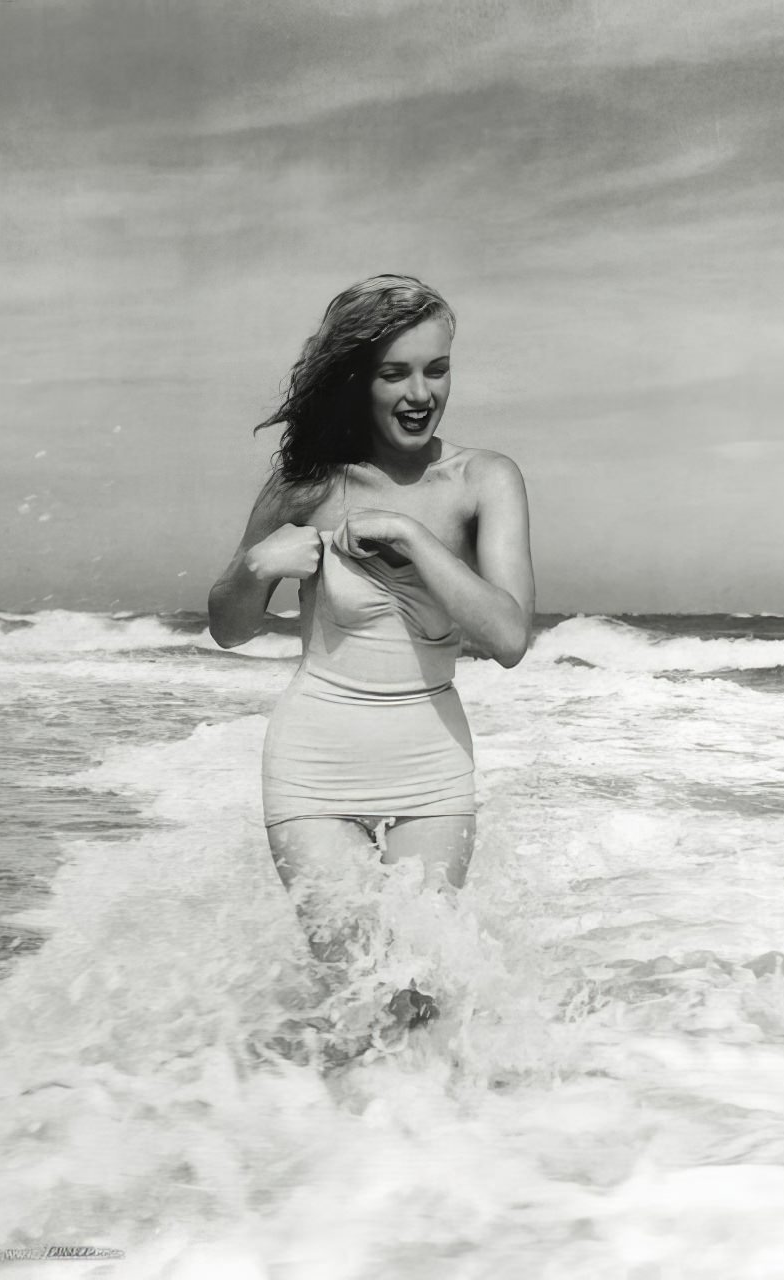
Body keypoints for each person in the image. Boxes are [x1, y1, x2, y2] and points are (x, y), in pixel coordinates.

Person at [208, 274, 534, 1029]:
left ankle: (426, 1136)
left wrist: (413, 539)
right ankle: (316, 1130)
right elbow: (229, 627)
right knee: (360, 991)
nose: (421, 392)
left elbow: (509, 636)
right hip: (315, 761)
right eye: (396, 372)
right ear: (358, 379)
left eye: (436, 368)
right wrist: (257, 568)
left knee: (417, 992)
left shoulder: (483, 479)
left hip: (430, 759)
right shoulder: (306, 485)